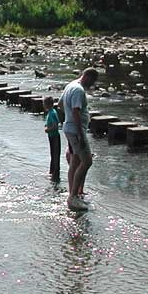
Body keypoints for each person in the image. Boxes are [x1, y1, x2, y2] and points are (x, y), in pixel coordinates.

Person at [60, 67, 98, 211]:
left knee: (75, 161)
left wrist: (68, 118)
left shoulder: (71, 85)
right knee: (87, 161)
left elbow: (60, 105)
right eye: (92, 81)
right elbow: (75, 111)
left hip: (69, 129)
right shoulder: (78, 90)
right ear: (88, 77)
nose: (92, 85)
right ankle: (73, 197)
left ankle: (74, 193)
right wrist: (80, 134)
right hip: (76, 131)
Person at [43, 96, 61, 181]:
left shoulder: (52, 113)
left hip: (54, 137)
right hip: (51, 137)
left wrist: (47, 129)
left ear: (47, 104)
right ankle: (52, 173)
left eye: (44, 103)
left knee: (55, 156)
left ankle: (55, 175)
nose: (43, 105)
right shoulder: (51, 112)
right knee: (53, 155)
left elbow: (55, 126)